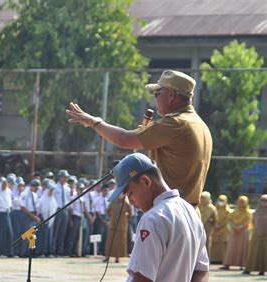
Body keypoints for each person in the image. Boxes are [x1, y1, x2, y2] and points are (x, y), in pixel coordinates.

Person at [66, 70, 213, 207]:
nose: (155, 100)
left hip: (169, 211)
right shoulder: (199, 124)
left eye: (157, 94)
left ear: (171, 95)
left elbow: (124, 139)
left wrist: (94, 122)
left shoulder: (176, 123)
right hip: (188, 212)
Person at [108, 153, 209, 282]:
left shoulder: (153, 218)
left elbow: (143, 279)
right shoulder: (191, 212)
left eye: (130, 194)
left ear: (146, 181)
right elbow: (202, 270)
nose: (131, 202)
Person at [221, 196, 252, 270]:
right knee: (231, 247)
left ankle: (242, 264)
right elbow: (230, 220)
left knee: (242, 248)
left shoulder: (248, 212)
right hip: (234, 232)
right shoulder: (234, 211)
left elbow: (249, 221)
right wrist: (234, 226)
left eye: (243, 202)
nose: (241, 204)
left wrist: (241, 227)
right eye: (240, 202)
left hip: (243, 232)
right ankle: (227, 264)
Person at [243, 194, 267, 276]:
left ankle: (262, 270)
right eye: (262, 200)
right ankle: (249, 269)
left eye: (265, 201)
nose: (264, 202)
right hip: (256, 234)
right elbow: (253, 221)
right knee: (253, 252)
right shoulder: (257, 210)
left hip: (265, 236)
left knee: (264, 252)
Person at [105, 194, 132, 263]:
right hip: (113, 225)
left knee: (119, 242)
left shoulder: (126, 203)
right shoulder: (113, 202)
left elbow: (130, 214)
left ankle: (117, 258)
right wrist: (111, 218)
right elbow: (108, 211)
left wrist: (125, 219)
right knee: (110, 242)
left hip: (121, 226)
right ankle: (107, 257)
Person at [19, 179, 41, 257]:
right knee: (27, 234)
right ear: (32, 186)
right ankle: (22, 252)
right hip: (27, 215)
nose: (37, 189)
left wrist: (36, 216)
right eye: (36, 187)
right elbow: (23, 208)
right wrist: (33, 217)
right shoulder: (25, 194)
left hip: (33, 215)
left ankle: (29, 252)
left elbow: (36, 207)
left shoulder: (34, 195)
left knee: (32, 236)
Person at [52, 170, 71, 255]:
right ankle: (53, 250)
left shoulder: (67, 188)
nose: (65, 179)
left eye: (66, 177)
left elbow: (68, 199)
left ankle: (60, 250)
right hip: (57, 209)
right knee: (56, 230)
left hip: (65, 210)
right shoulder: (55, 187)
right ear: (60, 177)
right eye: (64, 177)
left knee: (63, 231)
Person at [65, 182, 86, 257]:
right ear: (77, 189)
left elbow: (82, 209)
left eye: (82, 189)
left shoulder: (82, 198)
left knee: (77, 236)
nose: (81, 190)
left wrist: (82, 217)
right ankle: (68, 251)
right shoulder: (73, 197)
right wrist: (70, 220)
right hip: (74, 216)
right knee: (72, 235)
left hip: (80, 217)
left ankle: (74, 251)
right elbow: (71, 209)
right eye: (80, 189)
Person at [36, 182, 57, 257]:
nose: (51, 192)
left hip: (50, 220)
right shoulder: (42, 199)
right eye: (50, 190)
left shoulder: (53, 200)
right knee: (42, 236)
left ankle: (49, 251)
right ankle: (41, 252)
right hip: (43, 219)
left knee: (49, 236)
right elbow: (38, 209)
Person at [210, 195, 231, 264]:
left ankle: (222, 259)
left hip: (224, 229)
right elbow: (212, 217)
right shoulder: (215, 209)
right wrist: (215, 224)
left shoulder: (227, 210)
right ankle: (213, 259)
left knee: (223, 244)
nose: (221, 202)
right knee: (214, 244)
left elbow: (227, 220)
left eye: (222, 201)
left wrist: (220, 225)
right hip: (215, 229)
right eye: (220, 200)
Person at [199, 191, 217, 255]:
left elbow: (215, 220)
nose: (202, 199)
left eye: (203, 198)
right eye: (201, 198)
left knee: (206, 244)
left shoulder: (212, 208)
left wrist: (211, 227)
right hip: (197, 227)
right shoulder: (197, 206)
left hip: (207, 228)